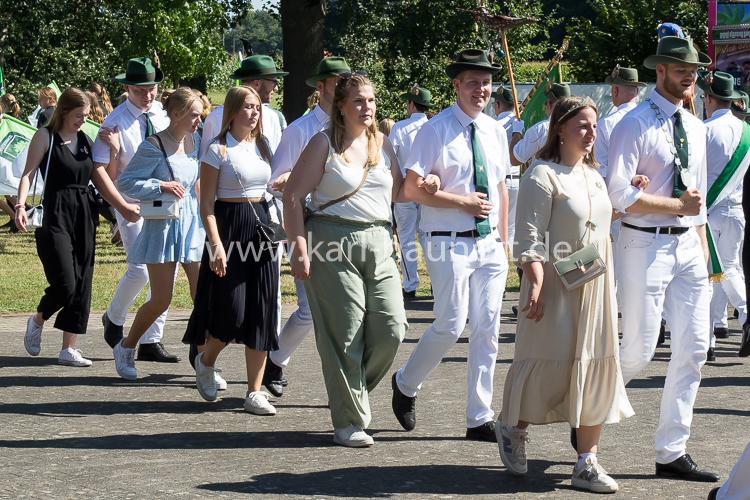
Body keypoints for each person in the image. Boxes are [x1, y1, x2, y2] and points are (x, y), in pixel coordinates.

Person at [496, 96, 634, 493]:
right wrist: (535, 280)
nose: (591, 134)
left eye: (594, 126)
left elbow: (597, 222)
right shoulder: (541, 174)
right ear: (559, 129)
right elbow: (529, 236)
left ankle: (586, 462)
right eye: (582, 126)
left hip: (595, 285)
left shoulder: (594, 175)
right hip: (554, 285)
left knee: (595, 367)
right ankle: (514, 429)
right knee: (547, 364)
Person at [607, 36, 719, 482]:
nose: (690, 75)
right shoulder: (633, 124)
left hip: (688, 246)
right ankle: (588, 415)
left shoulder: (695, 125)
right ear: (660, 71)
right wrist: (676, 208)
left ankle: (672, 451)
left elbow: (700, 200)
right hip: (643, 243)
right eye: (680, 69)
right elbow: (619, 193)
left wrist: (704, 252)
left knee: (693, 349)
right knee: (638, 351)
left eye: (693, 69)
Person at [283, 74, 414, 447]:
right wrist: (299, 249)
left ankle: (351, 392)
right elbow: (293, 197)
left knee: (393, 327)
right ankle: (348, 422)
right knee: (345, 331)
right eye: (358, 101)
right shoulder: (323, 142)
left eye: (371, 100)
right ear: (340, 106)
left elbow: (402, 190)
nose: (367, 107)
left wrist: (433, 181)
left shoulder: (383, 145)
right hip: (331, 239)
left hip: (379, 239)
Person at [391, 49, 510, 442]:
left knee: (488, 328)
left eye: (486, 82)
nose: (481, 89)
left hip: (489, 243)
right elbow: (410, 189)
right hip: (447, 241)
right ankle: (406, 383)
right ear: (456, 85)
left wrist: (504, 240)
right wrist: (461, 202)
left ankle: (479, 416)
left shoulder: (495, 131)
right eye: (473, 82)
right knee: (450, 324)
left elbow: (500, 190)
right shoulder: (434, 130)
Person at [14, 88, 140, 367]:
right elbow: (28, 173)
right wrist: (20, 206)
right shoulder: (45, 137)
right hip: (55, 212)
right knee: (66, 282)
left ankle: (68, 348)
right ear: (64, 111)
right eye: (78, 115)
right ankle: (38, 319)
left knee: (82, 280)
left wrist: (116, 151)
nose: (83, 120)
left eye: (86, 115)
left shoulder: (85, 139)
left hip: (84, 212)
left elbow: (105, 178)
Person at [182, 85, 279, 416]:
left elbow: (267, 190)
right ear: (234, 111)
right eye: (248, 107)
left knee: (262, 310)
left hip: (262, 226)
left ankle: (254, 392)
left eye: (257, 107)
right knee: (232, 312)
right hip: (229, 226)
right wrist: (216, 244)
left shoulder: (263, 145)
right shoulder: (217, 149)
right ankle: (206, 360)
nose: (254, 112)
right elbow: (206, 205)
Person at [263, 56, 351, 397]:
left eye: (347, 80)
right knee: (311, 309)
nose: (343, 87)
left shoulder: (354, 127)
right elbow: (274, 182)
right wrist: (291, 181)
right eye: (336, 81)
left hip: (347, 227)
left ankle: (345, 384)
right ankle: (276, 358)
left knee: (348, 309)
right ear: (321, 87)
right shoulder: (299, 130)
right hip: (309, 225)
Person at [112, 88, 206, 380]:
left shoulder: (197, 141)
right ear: (176, 114)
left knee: (202, 297)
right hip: (163, 226)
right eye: (193, 115)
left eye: (200, 115)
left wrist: (207, 219)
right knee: (161, 300)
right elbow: (125, 182)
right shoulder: (153, 145)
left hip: (192, 226)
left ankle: (205, 362)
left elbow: (199, 183)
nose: (198, 121)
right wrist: (160, 186)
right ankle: (126, 346)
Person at [93, 56, 176, 362]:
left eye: (152, 88)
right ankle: (113, 318)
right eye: (141, 89)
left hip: (166, 198)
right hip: (132, 199)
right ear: (127, 87)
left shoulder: (163, 115)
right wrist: (122, 206)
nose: (148, 94)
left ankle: (152, 340)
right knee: (141, 269)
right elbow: (99, 170)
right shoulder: (115, 121)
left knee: (168, 266)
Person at [698, 71, 749, 360]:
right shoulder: (746, 132)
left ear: (709, 98)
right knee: (731, 270)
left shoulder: (703, 130)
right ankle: (744, 317)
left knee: (708, 277)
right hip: (736, 210)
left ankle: (708, 342)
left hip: (708, 212)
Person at [389, 84, 434, 297]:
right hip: (428, 186)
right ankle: (436, 281)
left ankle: (410, 285)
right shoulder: (434, 126)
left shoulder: (399, 127)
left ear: (411, 104)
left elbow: (390, 158)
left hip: (406, 186)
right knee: (429, 235)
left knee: (406, 237)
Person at [200, 55, 288, 158]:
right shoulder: (217, 117)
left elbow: (276, 160)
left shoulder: (272, 117)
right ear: (257, 83)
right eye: (274, 82)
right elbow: (205, 160)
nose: (276, 88)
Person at [595, 65, 646, 180]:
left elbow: (600, 168)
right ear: (637, 91)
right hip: (651, 191)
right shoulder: (651, 120)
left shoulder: (606, 123)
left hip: (615, 193)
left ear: (615, 90)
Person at [492, 85, 525, 252]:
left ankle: (500, 253)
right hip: (517, 180)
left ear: (498, 105)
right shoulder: (522, 122)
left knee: (497, 223)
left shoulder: (492, 125)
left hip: (499, 180)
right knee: (511, 225)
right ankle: (510, 254)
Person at [512, 82, 571, 165]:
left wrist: (516, 132)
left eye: (546, 103)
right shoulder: (578, 127)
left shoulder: (541, 129)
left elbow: (515, 160)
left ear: (550, 104)